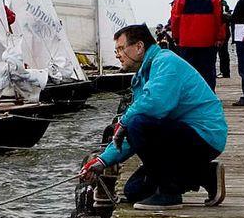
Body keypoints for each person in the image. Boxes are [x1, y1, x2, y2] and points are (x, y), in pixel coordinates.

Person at [84, 24, 228, 206]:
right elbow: (130, 133)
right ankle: (206, 174)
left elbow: (156, 104)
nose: (117, 55)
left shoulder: (165, 62)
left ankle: (169, 194)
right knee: (134, 191)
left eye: (120, 48)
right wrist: (102, 161)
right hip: (182, 137)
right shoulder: (144, 74)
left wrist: (124, 122)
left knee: (137, 123)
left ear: (139, 47)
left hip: (204, 136)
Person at [167, 0, 227, 87]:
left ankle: (190, 95)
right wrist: (219, 37)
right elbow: (219, 19)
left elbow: (175, 17)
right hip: (207, 40)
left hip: (186, 40)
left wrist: (176, 36)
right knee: (208, 71)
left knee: (188, 71)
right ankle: (209, 94)